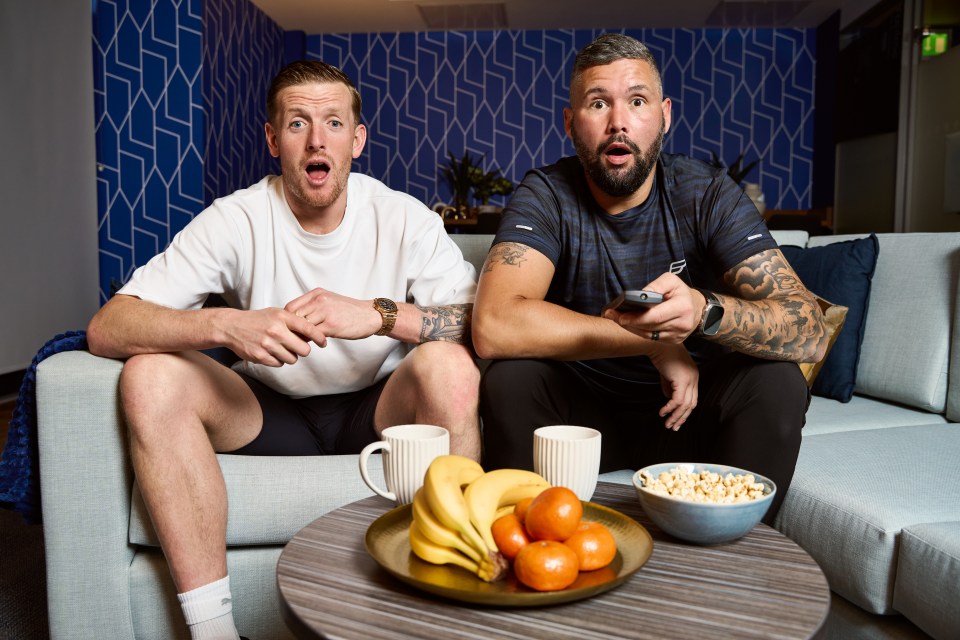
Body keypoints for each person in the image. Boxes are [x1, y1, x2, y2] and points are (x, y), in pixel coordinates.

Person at [86, 60, 480, 640]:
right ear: (273, 140)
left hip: (377, 411)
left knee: (450, 367)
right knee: (147, 377)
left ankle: (449, 611)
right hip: (266, 412)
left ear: (358, 139)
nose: (317, 140)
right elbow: (108, 326)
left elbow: (480, 326)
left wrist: (378, 314)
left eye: (333, 123)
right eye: (297, 124)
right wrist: (227, 325)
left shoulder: (404, 218)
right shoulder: (236, 218)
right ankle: (214, 630)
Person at [472, 33, 827, 524]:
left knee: (778, 382)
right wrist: (654, 344)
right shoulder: (546, 193)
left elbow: (809, 329)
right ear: (571, 124)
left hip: (692, 411)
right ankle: (534, 543)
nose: (619, 122)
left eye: (636, 101)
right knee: (512, 380)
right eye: (599, 104)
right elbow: (494, 325)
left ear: (664, 115)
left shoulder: (706, 193)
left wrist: (705, 312)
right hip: (584, 421)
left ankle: (735, 552)